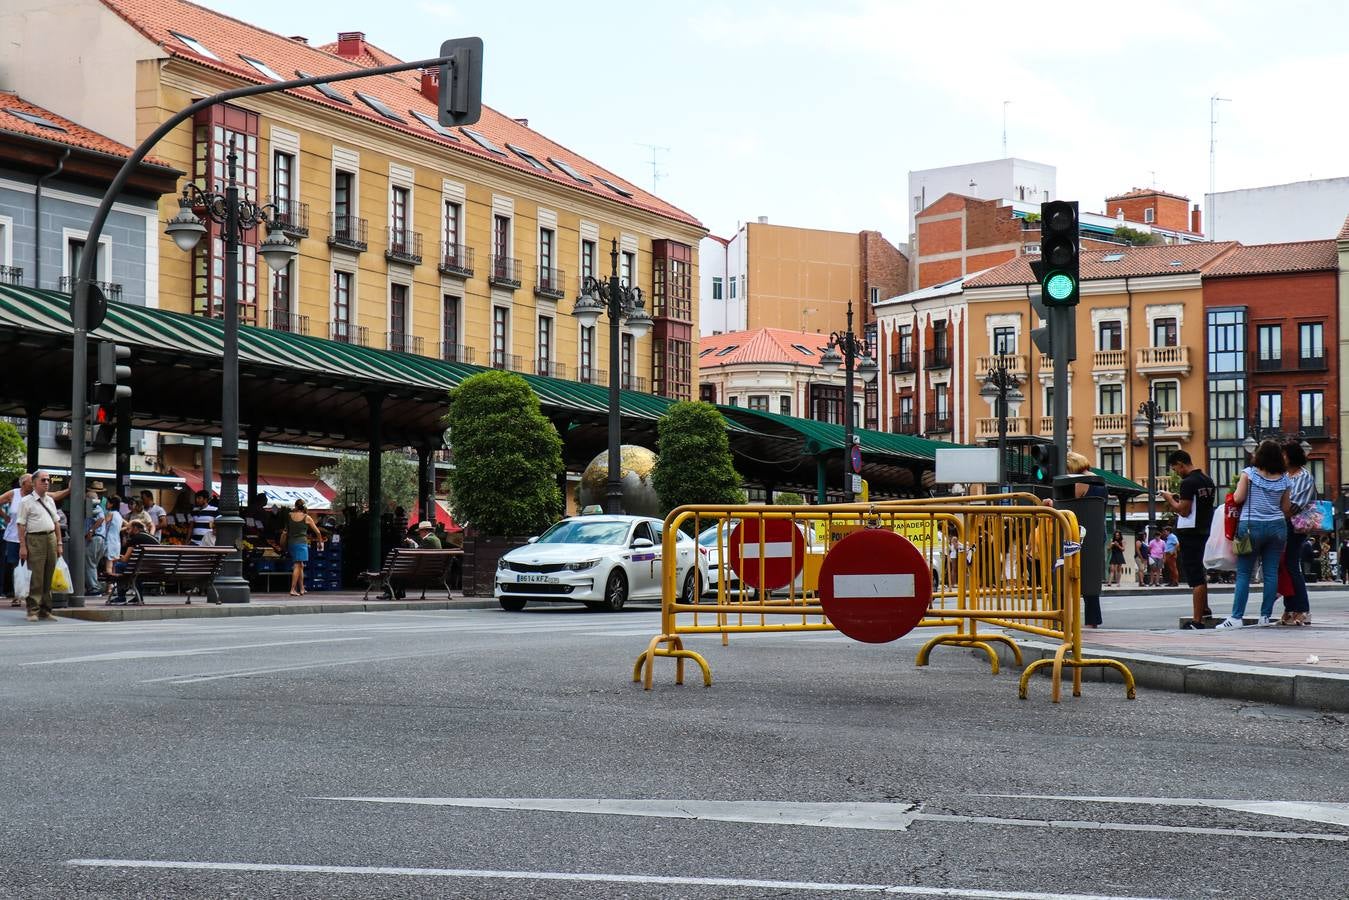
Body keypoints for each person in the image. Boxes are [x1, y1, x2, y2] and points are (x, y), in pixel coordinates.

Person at [1217, 439, 1292, 630]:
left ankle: (1236, 618)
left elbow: (1238, 498)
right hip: (1277, 527)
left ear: (1259, 455)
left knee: (1243, 573)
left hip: (1251, 527)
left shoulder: (1249, 474)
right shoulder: (1285, 479)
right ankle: (1265, 616)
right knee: (1270, 573)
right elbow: (1285, 508)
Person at [1159, 449, 1216, 629]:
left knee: (1195, 577)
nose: (1176, 472)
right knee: (1201, 572)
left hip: (1191, 533)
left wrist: (1169, 499)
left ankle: (1197, 621)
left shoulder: (1188, 482)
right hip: (1205, 530)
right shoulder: (1207, 480)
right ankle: (1205, 609)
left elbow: (1184, 510)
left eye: (1175, 468)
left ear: (1181, 464)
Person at [15, 470, 63, 622]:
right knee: (36, 576)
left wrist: (59, 542)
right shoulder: (26, 501)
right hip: (34, 539)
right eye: (43, 480)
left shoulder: (50, 500)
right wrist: (23, 546)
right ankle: (33, 610)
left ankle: (46, 610)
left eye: (48, 480)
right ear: (34, 482)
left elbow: (56, 523)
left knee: (49, 574)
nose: (46, 483)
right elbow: (21, 525)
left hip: (50, 538)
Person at [1279, 441, 1316, 626]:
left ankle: (1302, 609)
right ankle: (1291, 607)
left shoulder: (1304, 477)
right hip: (1282, 523)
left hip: (1295, 526)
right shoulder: (1284, 475)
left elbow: (1295, 505)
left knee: (1291, 564)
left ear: (1291, 456)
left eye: (1284, 454)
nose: (1281, 458)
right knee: (1285, 565)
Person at [108, 519, 159, 605]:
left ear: (135, 528)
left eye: (128, 529)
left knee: (120, 565)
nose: (127, 532)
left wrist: (117, 559)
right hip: (156, 568)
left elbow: (125, 559)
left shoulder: (135, 538)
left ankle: (121, 596)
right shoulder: (152, 537)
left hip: (142, 568)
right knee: (137, 568)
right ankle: (138, 597)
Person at [285, 499, 323, 597]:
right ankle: (292, 589)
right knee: (298, 565)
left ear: (295, 506)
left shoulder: (289, 516)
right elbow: (318, 532)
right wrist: (320, 542)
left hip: (291, 543)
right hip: (301, 544)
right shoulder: (306, 517)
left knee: (300, 564)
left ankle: (302, 588)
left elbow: (285, 530)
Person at [102, 495, 125, 581]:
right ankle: (114, 584)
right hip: (117, 542)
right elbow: (128, 525)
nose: (106, 504)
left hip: (109, 541)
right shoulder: (119, 515)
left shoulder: (110, 514)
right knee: (114, 564)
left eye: (107, 502)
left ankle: (110, 586)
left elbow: (102, 523)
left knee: (109, 564)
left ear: (112, 504)